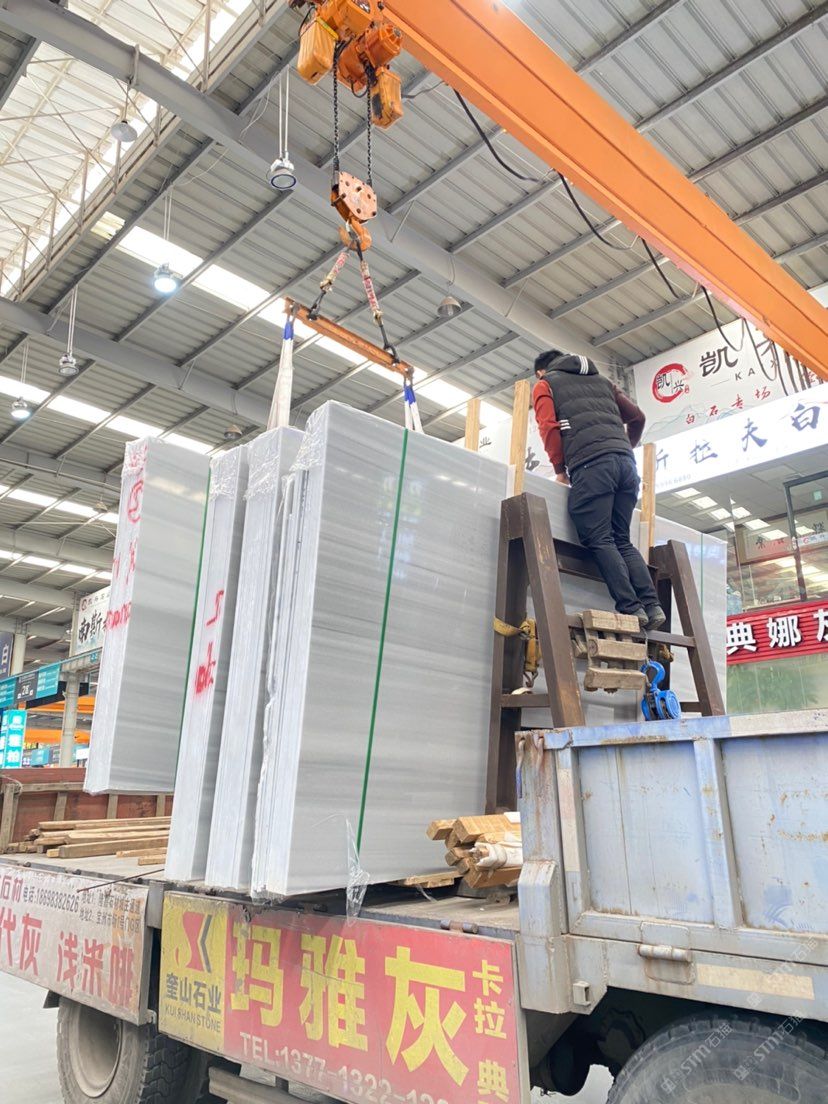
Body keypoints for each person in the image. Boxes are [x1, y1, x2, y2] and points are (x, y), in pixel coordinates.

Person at [532, 349, 666, 630]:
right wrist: (623, 448)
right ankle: (652, 606)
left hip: (591, 466)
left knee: (599, 537)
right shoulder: (604, 382)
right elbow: (638, 418)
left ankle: (631, 607)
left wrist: (559, 470)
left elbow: (548, 428)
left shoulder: (545, 384)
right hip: (626, 467)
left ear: (540, 372)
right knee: (621, 539)